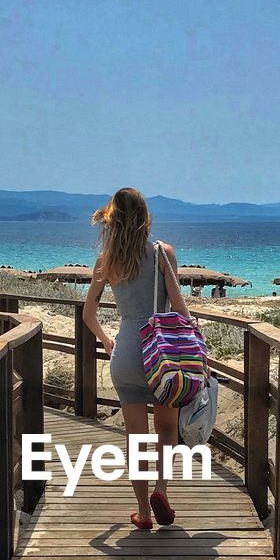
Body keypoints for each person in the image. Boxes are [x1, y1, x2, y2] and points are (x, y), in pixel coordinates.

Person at [83, 187, 194, 531]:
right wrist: (192, 333)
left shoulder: (106, 260)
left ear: (113, 220)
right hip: (160, 354)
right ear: (145, 217)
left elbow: (88, 313)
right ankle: (162, 489)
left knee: (135, 438)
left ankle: (144, 512)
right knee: (165, 429)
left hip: (127, 353)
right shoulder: (163, 253)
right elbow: (178, 306)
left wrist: (106, 341)